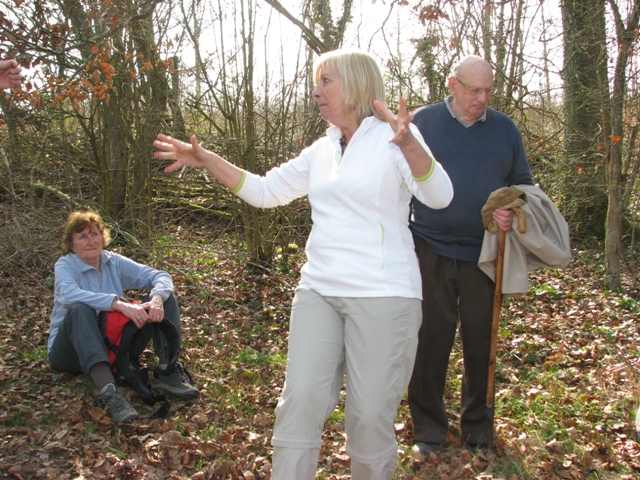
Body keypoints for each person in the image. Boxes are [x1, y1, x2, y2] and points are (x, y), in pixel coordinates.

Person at [153, 49, 453, 480]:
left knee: (369, 418)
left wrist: (409, 145)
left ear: (355, 85)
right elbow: (263, 191)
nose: (315, 92)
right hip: (319, 291)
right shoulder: (322, 149)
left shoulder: (396, 139)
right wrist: (205, 159)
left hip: (384, 295)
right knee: (300, 403)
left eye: (325, 81)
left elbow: (440, 196)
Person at [407, 54, 533, 457]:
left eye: (488, 90)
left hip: (485, 252)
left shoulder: (505, 129)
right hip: (429, 247)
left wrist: (511, 209)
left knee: (482, 342)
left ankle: (478, 431)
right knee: (430, 340)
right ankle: (428, 432)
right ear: (453, 84)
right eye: (474, 89)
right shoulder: (423, 123)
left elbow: (523, 186)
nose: (482, 98)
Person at [48, 211, 199, 424]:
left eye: (94, 234)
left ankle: (168, 372)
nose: (91, 241)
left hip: (114, 344)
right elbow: (68, 294)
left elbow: (160, 276)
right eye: (82, 237)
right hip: (70, 351)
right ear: (72, 245)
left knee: (165, 296)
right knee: (79, 309)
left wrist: (156, 299)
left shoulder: (113, 262)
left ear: (103, 237)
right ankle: (110, 393)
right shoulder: (66, 265)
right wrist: (117, 304)